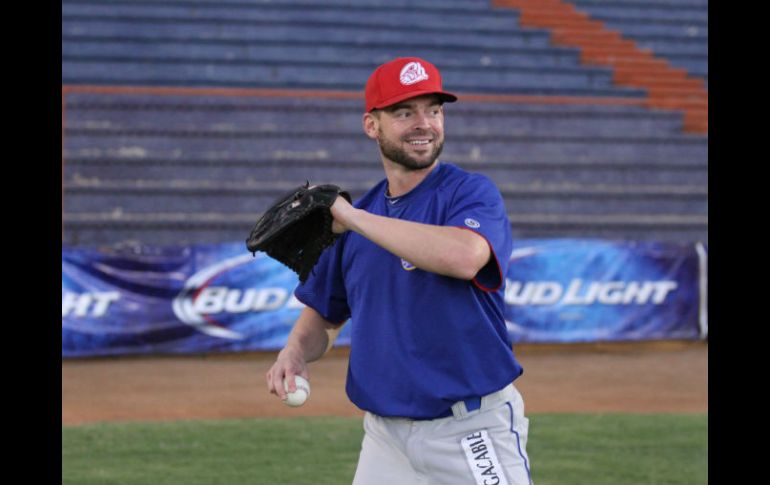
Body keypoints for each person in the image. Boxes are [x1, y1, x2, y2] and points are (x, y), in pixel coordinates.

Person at [266, 57, 533, 485]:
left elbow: (465, 258)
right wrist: (294, 351)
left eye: (434, 109)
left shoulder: (468, 193)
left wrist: (352, 219)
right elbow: (325, 314)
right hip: (385, 438)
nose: (423, 123)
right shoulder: (355, 218)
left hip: (470, 429)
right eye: (405, 112)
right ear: (372, 126)